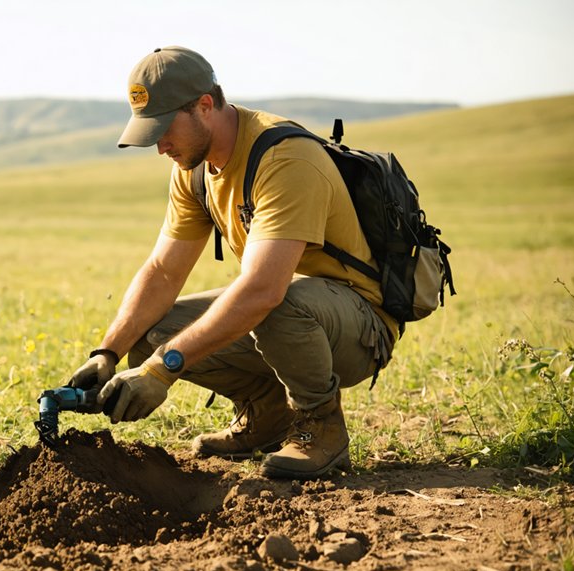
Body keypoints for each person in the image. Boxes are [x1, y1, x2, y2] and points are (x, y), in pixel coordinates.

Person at [68, 46, 399, 480]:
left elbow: (263, 290)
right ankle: (266, 416)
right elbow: (163, 271)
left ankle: (321, 427)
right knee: (152, 332)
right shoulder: (194, 167)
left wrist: (161, 369)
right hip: (286, 316)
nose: (160, 146)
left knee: (275, 304)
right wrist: (107, 352)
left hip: (358, 326)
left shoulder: (285, 158)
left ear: (205, 106)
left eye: (164, 129)